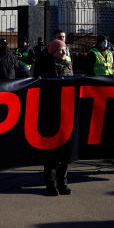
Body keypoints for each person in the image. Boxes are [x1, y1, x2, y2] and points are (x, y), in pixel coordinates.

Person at [34, 39, 74, 194]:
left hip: (66, 112)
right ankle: (51, 184)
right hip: (51, 113)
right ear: (53, 52)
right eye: (61, 50)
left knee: (65, 152)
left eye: (65, 50)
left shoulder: (67, 65)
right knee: (51, 153)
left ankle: (63, 183)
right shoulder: (45, 67)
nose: (64, 53)